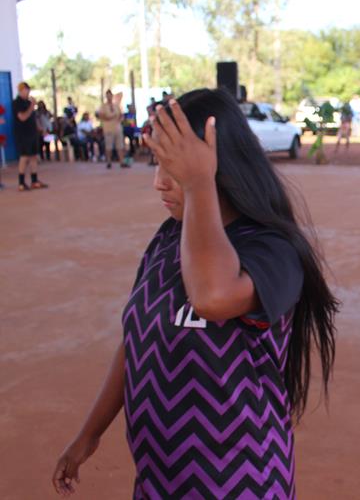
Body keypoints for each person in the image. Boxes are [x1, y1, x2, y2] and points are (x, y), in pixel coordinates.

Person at [52, 89, 338, 499]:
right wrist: (89, 434)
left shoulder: (273, 250)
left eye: (172, 167)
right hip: (160, 481)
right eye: (156, 164)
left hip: (241, 482)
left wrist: (199, 181)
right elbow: (138, 339)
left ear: (217, 165)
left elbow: (212, 297)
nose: (157, 182)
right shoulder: (171, 237)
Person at [12, 82, 48, 191]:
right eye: (26, 90)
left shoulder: (28, 103)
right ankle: (21, 182)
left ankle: (34, 180)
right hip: (23, 134)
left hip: (32, 134)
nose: (28, 93)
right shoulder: (16, 103)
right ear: (21, 91)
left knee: (33, 156)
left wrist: (41, 129)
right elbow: (22, 117)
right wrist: (32, 107)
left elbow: (34, 118)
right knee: (24, 157)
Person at [98, 90, 128, 169]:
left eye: (110, 95)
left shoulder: (116, 105)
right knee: (109, 146)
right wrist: (111, 117)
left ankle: (122, 161)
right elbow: (101, 116)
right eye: (108, 95)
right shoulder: (103, 106)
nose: (109, 97)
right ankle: (109, 161)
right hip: (108, 128)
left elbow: (120, 115)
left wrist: (119, 118)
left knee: (120, 145)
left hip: (117, 127)